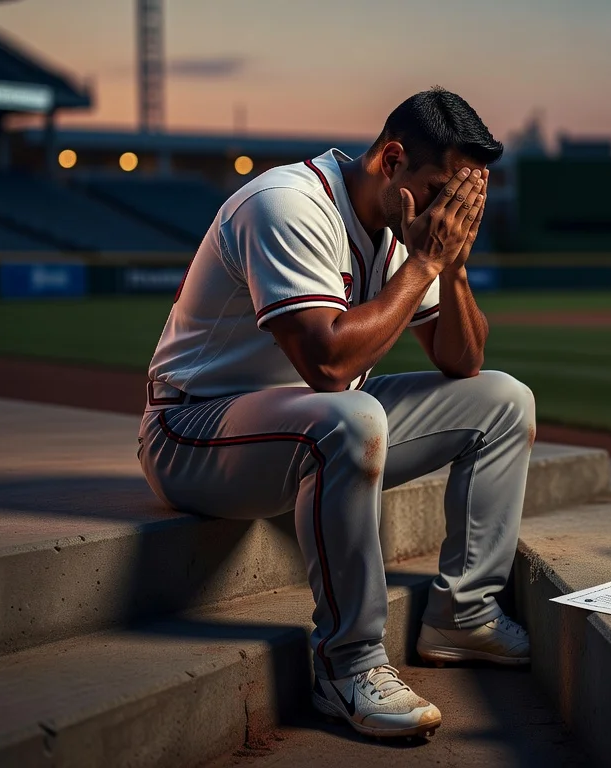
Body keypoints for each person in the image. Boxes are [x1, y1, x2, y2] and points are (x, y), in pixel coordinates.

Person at [137, 88, 534, 740]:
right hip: (192, 433)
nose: (448, 212)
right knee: (351, 415)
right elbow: (324, 364)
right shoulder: (287, 204)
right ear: (393, 159)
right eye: (442, 190)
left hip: (301, 428)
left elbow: (461, 360)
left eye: (463, 201)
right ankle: (346, 663)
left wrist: (452, 267)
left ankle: (463, 614)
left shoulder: (408, 226)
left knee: (502, 399)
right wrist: (427, 260)